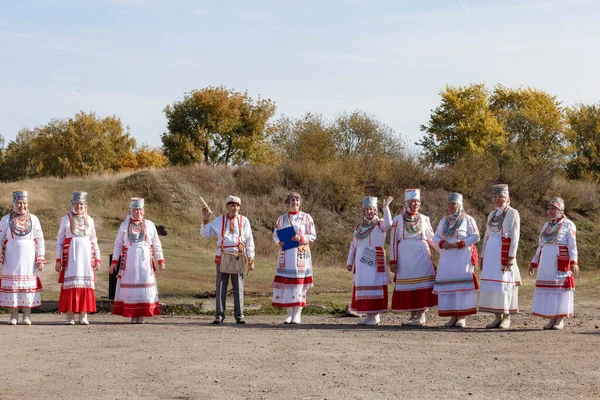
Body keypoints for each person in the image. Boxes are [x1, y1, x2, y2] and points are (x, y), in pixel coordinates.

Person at [200, 195, 255, 324]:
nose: (234, 208)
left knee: (238, 286)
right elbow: (205, 234)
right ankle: (219, 315)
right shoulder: (220, 220)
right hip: (223, 254)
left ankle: (239, 315)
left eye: (237, 205)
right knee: (220, 285)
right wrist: (205, 220)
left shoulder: (244, 221)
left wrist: (251, 257)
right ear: (227, 206)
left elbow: (249, 240)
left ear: (239, 207)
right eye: (232, 205)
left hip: (238, 255)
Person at [109, 198, 165, 323]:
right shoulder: (124, 225)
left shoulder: (150, 225)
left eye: (140, 209)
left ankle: (142, 315)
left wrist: (160, 259)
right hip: (129, 260)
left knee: (144, 285)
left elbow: (156, 243)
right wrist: (114, 262)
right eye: (135, 210)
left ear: (143, 211)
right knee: (132, 286)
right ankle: (133, 315)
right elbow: (118, 244)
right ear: (131, 211)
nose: (137, 212)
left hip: (145, 261)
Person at [389, 189, 438, 326]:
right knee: (410, 284)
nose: (415, 204)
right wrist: (393, 260)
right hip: (405, 256)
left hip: (422, 254)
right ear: (406, 203)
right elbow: (393, 241)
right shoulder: (397, 220)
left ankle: (421, 314)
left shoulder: (424, 218)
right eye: (412, 201)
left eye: (417, 201)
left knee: (422, 283)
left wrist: (444, 251)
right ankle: (412, 315)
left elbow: (432, 238)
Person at [528, 197, 579, 330]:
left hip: (560, 261)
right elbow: (541, 246)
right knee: (549, 290)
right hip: (546, 261)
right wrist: (534, 263)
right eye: (549, 208)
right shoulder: (546, 225)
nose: (551, 211)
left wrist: (574, 262)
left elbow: (572, 245)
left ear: (561, 210)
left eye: (554, 209)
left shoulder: (568, 224)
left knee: (559, 290)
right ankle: (551, 317)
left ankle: (560, 319)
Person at [433, 192, 480, 328]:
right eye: (448, 204)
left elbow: (476, 236)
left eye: (453, 204)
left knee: (461, 286)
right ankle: (452, 316)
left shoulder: (467, 219)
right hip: (447, 258)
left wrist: (460, 243)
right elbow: (435, 237)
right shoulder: (443, 221)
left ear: (459, 205)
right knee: (450, 287)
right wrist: (442, 243)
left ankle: (462, 317)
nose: (450, 206)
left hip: (462, 257)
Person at [55, 191, 101, 325]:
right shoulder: (66, 219)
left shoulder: (90, 220)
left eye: (81, 204)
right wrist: (58, 260)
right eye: (76, 204)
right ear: (72, 204)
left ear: (85, 205)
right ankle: (70, 315)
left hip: (86, 258)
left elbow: (94, 240)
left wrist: (97, 259)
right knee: (71, 283)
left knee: (85, 283)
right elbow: (60, 241)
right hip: (71, 258)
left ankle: (83, 314)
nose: (78, 207)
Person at [479, 184, 521, 329]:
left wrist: (511, 256)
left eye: (500, 197)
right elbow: (486, 236)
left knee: (504, 284)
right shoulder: (492, 214)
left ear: (507, 197)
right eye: (495, 197)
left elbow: (515, 235)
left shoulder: (512, 212)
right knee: (493, 286)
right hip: (491, 252)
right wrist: (482, 256)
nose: (497, 199)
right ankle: (496, 316)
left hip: (503, 251)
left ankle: (506, 316)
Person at [346, 196, 393, 326]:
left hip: (375, 259)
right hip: (361, 261)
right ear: (364, 211)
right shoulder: (359, 227)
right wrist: (349, 262)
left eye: (372, 209)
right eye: (367, 209)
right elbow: (354, 245)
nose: (369, 212)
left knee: (374, 285)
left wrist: (386, 208)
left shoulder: (380, 224)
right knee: (363, 286)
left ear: (375, 210)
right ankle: (368, 315)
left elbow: (389, 223)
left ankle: (376, 316)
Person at [0, 191, 45, 325]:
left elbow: (40, 240)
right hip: (11, 259)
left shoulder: (34, 219)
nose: (22, 206)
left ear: (27, 204)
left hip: (29, 260)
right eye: (19, 203)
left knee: (27, 286)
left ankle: (27, 315)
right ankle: (13, 315)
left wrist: (40, 258)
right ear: (14, 204)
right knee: (14, 285)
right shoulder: (6, 219)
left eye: (24, 203)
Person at [272, 192, 317, 324]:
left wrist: (301, 238)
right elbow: (275, 235)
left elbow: (313, 235)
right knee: (287, 284)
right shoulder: (281, 219)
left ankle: (298, 313)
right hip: (286, 255)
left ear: (300, 203)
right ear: (288, 202)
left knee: (299, 284)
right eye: (292, 200)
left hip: (301, 254)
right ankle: (289, 313)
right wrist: (278, 242)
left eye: (297, 201)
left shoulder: (306, 217)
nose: (295, 203)